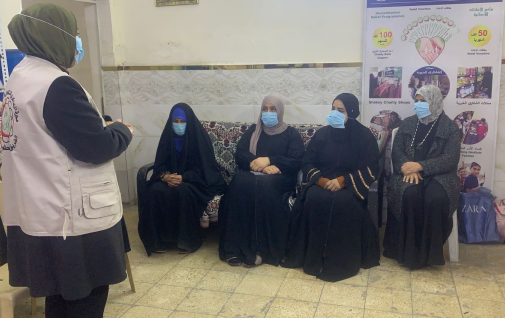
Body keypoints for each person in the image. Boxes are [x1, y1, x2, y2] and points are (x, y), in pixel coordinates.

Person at [2, 4, 138, 318]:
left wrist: (98, 126)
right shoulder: (56, 84)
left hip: (42, 212)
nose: (78, 42)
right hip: (72, 218)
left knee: (61, 298)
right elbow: (97, 147)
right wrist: (121, 130)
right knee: (86, 300)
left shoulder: (20, 77)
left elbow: (57, 133)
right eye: (73, 34)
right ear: (55, 35)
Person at [283, 93, 380, 282]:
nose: (335, 113)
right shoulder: (322, 134)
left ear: (352, 112)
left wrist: (344, 181)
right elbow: (308, 162)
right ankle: (313, 258)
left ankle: (339, 261)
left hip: (350, 187)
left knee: (343, 203)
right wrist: (320, 180)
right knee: (314, 198)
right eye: (333, 109)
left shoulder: (364, 137)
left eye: (340, 110)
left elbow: (371, 168)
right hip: (322, 183)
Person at [219, 94, 304, 267]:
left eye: (273, 109)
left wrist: (271, 160)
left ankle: (262, 250)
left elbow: (296, 161)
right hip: (253, 174)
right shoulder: (254, 131)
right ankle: (234, 248)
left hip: (280, 178)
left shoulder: (291, 134)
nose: (268, 112)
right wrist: (262, 167)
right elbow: (240, 154)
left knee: (264, 186)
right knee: (238, 183)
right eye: (265, 109)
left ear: (280, 111)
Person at [384, 85, 461, 270]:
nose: (418, 105)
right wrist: (408, 168)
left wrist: (421, 166)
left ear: (435, 102)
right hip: (408, 173)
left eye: (423, 101)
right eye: (416, 101)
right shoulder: (408, 123)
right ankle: (407, 253)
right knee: (410, 195)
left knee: (435, 198)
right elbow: (397, 151)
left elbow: (450, 159)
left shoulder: (450, 127)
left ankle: (429, 254)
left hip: (440, 176)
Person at [139, 103, 226, 255]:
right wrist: (165, 176)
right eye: (175, 121)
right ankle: (159, 242)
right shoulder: (167, 139)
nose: (178, 125)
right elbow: (160, 164)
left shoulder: (199, 138)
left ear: (189, 122)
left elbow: (205, 169)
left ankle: (187, 241)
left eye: (182, 121)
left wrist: (183, 177)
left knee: (183, 191)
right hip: (170, 179)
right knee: (155, 191)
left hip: (195, 181)